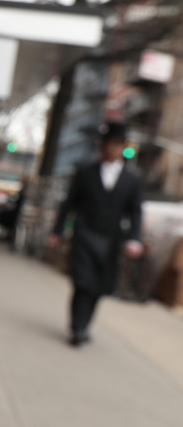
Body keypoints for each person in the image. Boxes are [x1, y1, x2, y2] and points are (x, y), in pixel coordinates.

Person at [48, 121, 144, 346]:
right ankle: (77, 327)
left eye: (117, 145)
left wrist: (135, 238)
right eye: (109, 144)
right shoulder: (85, 171)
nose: (112, 149)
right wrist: (57, 231)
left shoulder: (132, 179)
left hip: (111, 239)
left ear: (122, 148)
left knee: (99, 286)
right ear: (103, 146)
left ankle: (85, 325)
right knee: (82, 282)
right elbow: (69, 203)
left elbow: (136, 211)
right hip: (84, 234)